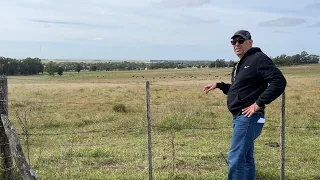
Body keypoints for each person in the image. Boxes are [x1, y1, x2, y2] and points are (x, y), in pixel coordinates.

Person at [203, 30, 287, 180]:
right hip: (240, 118)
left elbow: (279, 82)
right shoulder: (240, 64)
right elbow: (239, 90)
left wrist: (258, 104)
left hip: (248, 118)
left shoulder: (258, 59)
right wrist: (219, 85)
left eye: (240, 41)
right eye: (233, 42)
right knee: (246, 159)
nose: (236, 44)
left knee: (235, 158)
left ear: (250, 42)